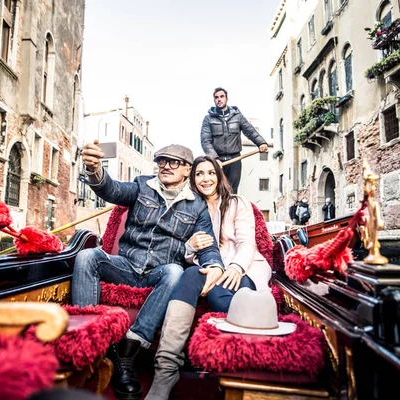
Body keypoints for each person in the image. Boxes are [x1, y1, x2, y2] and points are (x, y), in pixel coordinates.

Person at [74, 142, 224, 400]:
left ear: (187, 169)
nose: (165, 165)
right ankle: (92, 341)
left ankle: (127, 355)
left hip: (160, 272)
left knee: (175, 272)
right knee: (87, 256)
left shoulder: (198, 206)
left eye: (173, 162)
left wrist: (214, 267)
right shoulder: (142, 185)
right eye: (161, 160)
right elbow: (112, 189)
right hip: (126, 265)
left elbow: (208, 246)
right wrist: (94, 169)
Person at [145, 155, 272, 400]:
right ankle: (166, 368)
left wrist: (234, 267)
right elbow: (181, 252)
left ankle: (245, 365)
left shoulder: (237, 202)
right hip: (207, 269)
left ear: (219, 176)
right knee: (191, 274)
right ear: (193, 179)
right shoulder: (188, 207)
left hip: (243, 267)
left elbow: (247, 243)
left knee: (217, 291)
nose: (206, 178)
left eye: (211, 173)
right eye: (200, 174)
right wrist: (189, 247)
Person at [200, 87, 269, 193]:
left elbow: (250, 131)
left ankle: (231, 209)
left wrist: (261, 142)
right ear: (214, 100)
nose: (219, 99)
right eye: (216, 97)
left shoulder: (237, 117)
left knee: (232, 191)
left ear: (227, 99)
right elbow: (205, 141)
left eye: (222, 96)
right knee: (217, 191)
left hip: (235, 160)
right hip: (218, 161)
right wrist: (215, 158)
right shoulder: (208, 119)